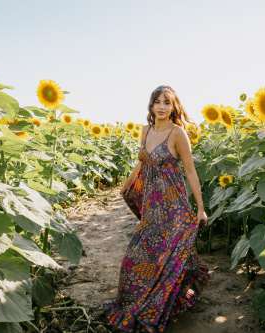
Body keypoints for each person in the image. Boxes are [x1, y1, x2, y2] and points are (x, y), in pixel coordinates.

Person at [102, 85, 211, 332]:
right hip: (152, 207)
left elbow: (190, 172)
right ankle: (141, 301)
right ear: (151, 105)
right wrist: (127, 184)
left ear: (174, 107)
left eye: (167, 102)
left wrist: (200, 208)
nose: (161, 107)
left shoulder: (177, 134)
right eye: (157, 102)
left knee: (168, 256)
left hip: (174, 207)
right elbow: (141, 163)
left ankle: (160, 305)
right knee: (135, 259)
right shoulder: (146, 130)